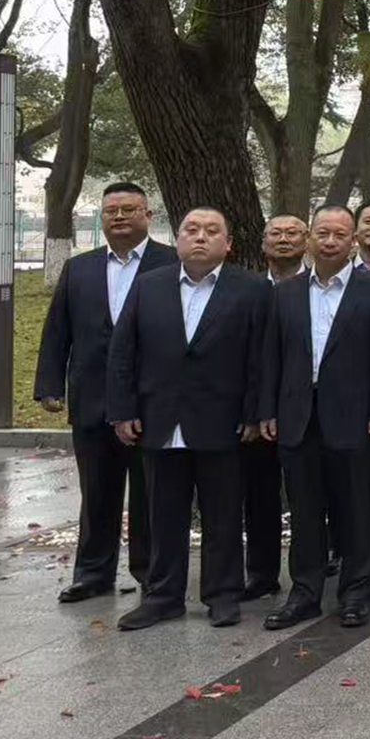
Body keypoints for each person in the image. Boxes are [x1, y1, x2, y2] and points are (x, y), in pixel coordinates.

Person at [107, 207, 276, 631]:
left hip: (224, 421)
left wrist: (254, 413)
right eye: (192, 230)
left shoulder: (252, 289)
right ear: (178, 238)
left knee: (223, 514)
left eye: (212, 231)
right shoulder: (149, 285)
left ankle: (222, 594)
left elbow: (261, 357)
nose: (201, 237)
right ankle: (163, 596)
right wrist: (123, 410)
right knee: (163, 515)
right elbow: (123, 351)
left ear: (228, 244)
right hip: (160, 419)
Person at [35, 181, 174, 603]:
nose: (119, 217)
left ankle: (151, 573)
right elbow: (57, 329)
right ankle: (93, 574)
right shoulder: (79, 268)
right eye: (111, 210)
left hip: (152, 401)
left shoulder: (171, 264)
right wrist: (49, 385)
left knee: (150, 494)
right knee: (96, 492)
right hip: (92, 399)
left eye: (129, 209)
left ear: (148, 215)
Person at [264, 205, 370, 631]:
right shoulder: (285, 292)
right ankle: (304, 592)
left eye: (340, 234)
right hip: (297, 414)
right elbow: (270, 357)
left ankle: (355, 593)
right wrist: (266, 409)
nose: (330, 241)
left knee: (355, 507)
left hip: (353, 415)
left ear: (353, 242)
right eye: (322, 233)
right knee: (304, 509)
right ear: (309, 239)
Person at [243, 214, 310, 600]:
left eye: (292, 233)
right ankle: (261, 573)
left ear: (306, 241)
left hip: (308, 408)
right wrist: (254, 411)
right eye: (275, 233)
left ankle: (319, 564)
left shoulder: (318, 287)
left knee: (311, 495)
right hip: (258, 411)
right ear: (263, 242)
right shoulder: (247, 290)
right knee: (260, 494)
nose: (284, 240)